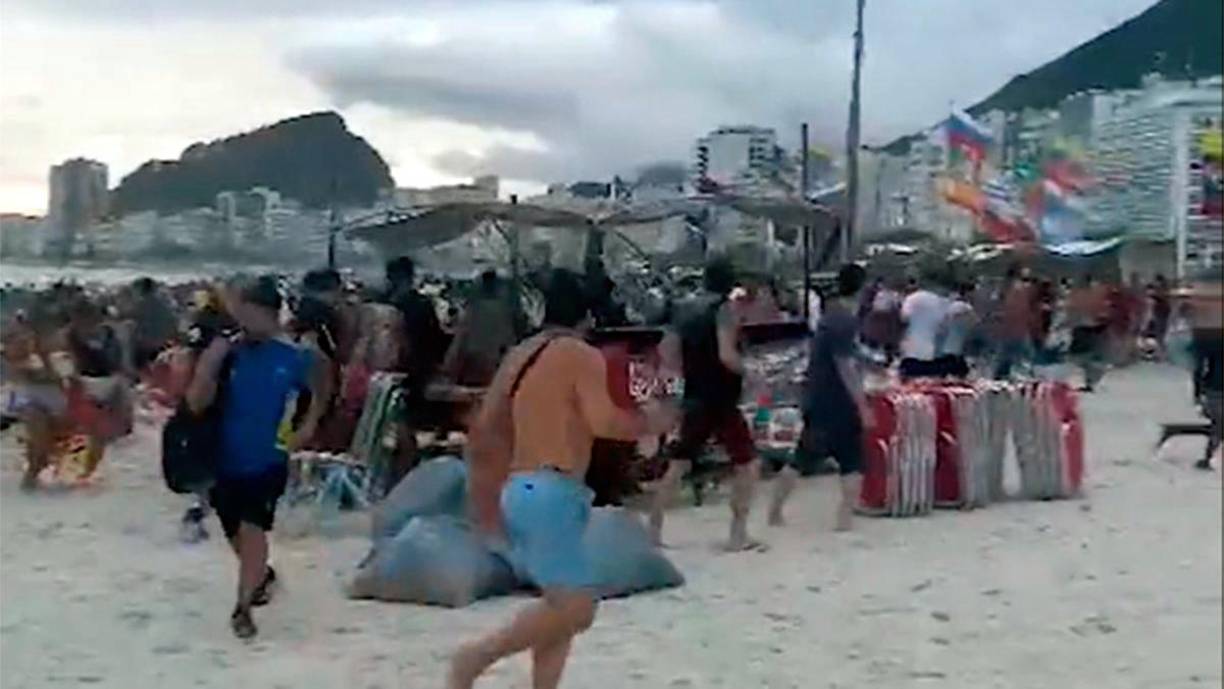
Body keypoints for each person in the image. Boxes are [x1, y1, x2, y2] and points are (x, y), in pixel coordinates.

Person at [451, 269, 676, 689]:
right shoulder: (577, 353)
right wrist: (652, 418)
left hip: (520, 488)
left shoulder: (524, 353)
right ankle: (476, 658)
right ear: (589, 318)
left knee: (558, 608)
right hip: (550, 491)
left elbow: (488, 421)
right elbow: (604, 420)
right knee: (578, 607)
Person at [185, 276, 327, 640]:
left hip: (269, 458)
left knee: (253, 527)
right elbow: (195, 403)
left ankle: (243, 605)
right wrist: (210, 363)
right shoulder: (228, 352)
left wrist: (305, 430)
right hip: (223, 456)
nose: (242, 322)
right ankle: (261, 577)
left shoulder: (296, 356)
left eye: (248, 313)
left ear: (268, 313)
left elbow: (319, 392)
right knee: (234, 529)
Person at [650, 258, 763, 551]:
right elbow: (726, 355)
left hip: (696, 394)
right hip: (722, 396)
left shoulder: (684, 309)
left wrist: (685, 372)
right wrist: (750, 372)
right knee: (747, 463)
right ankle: (737, 535)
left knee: (678, 463)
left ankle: (653, 531)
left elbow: (666, 350)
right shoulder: (723, 310)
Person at [770, 263, 873, 530]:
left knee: (803, 457)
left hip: (818, 396)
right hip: (836, 399)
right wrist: (862, 404)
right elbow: (845, 366)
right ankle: (844, 519)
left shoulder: (831, 317)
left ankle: (775, 511)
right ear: (862, 288)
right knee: (852, 459)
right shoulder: (845, 321)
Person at [442, 270, 519, 387]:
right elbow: (510, 346)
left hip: (472, 379)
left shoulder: (474, 312)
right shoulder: (503, 314)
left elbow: (456, 350)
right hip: (495, 380)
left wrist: (449, 371)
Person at [897, 273, 949, 381]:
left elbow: (903, 319)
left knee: (907, 389)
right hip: (932, 353)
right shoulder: (941, 301)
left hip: (911, 351)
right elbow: (943, 327)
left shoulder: (912, 299)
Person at [1066, 275, 1109, 392]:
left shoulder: (1078, 295)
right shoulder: (1096, 294)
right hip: (1094, 327)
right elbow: (1104, 310)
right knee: (1091, 355)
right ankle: (1091, 379)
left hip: (1083, 327)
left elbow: (1072, 311)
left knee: (1081, 356)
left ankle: (1090, 379)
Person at [993, 267, 1036, 380]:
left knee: (1006, 354)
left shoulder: (1005, 289)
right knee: (1022, 355)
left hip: (1009, 327)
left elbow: (1000, 309)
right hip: (1017, 327)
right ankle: (1023, 377)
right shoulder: (1019, 290)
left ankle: (1001, 376)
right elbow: (1020, 309)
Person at [129, 277, 177, 372]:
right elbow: (172, 324)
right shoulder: (165, 304)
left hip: (148, 347)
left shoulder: (141, 305)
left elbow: (138, 327)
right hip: (164, 345)